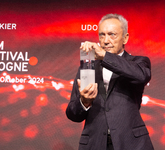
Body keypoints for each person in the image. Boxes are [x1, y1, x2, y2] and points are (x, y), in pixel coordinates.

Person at [66, 14, 154, 150]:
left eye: (112, 34)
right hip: (95, 143)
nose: (106, 40)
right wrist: (84, 102)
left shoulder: (138, 63)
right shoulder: (88, 67)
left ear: (125, 38)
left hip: (131, 143)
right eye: (102, 35)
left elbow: (141, 76)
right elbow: (72, 114)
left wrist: (105, 56)